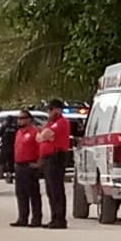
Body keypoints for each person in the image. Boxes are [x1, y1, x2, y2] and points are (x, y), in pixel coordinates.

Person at [37, 98, 72, 229]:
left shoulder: (62, 122)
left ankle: (60, 218)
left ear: (57, 110)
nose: (49, 113)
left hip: (57, 157)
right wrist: (45, 137)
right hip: (48, 158)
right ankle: (54, 217)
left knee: (56, 189)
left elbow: (45, 135)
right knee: (50, 190)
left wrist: (45, 136)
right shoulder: (50, 123)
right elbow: (40, 137)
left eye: (51, 110)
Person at [11, 109, 42, 228]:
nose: (19, 121)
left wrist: (38, 163)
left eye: (22, 118)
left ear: (29, 120)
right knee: (21, 193)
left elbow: (41, 148)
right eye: (18, 118)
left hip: (30, 165)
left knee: (33, 193)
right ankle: (22, 217)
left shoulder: (35, 132)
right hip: (19, 165)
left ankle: (36, 219)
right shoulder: (19, 133)